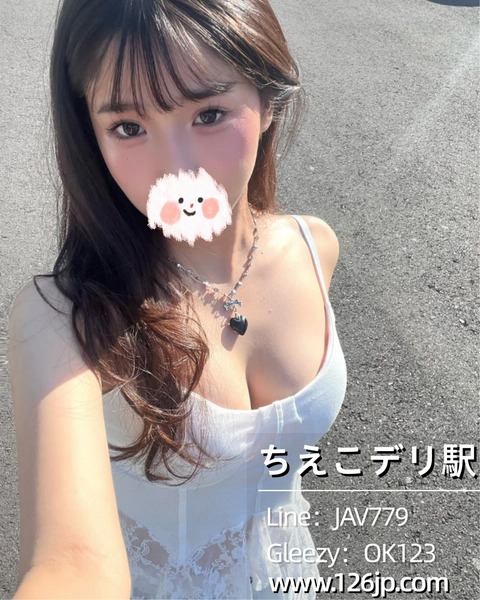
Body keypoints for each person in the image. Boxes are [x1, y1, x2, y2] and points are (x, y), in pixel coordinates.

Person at [8, 0, 347, 598]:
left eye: (209, 113)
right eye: (128, 127)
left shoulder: (314, 247)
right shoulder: (63, 319)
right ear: (91, 134)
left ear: (268, 100)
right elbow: (73, 563)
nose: (177, 171)